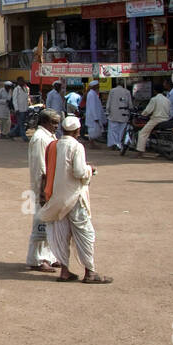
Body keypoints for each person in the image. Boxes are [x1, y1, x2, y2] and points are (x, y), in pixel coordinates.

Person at [38, 115, 111, 284]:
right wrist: (90, 169)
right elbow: (79, 172)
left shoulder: (53, 145)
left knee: (62, 234)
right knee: (85, 233)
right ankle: (90, 273)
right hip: (74, 198)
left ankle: (65, 271)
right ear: (77, 131)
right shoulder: (76, 146)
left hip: (56, 198)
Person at [26, 108, 60, 272]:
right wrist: (43, 190)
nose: (56, 126)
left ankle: (49, 256)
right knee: (40, 224)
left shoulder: (49, 136)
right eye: (54, 123)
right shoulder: (40, 138)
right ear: (45, 122)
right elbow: (41, 167)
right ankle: (37, 259)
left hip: (50, 185)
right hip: (43, 186)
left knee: (50, 222)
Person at [135, 85, 173, 153]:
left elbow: (148, 111)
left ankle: (140, 151)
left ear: (155, 91)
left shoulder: (154, 99)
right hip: (166, 119)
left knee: (142, 133)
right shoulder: (167, 100)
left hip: (156, 120)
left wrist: (142, 114)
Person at [106, 81, 133, 151]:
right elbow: (130, 104)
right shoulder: (127, 92)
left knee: (113, 130)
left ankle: (113, 144)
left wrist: (108, 111)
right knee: (122, 131)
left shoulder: (112, 91)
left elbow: (108, 103)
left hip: (113, 115)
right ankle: (120, 144)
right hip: (124, 114)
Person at [83, 80, 105, 145]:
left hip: (94, 116)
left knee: (95, 130)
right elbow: (92, 107)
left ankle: (92, 143)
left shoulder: (93, 94)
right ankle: (91, 143)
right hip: (93, 116)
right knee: (93, 131)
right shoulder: (91, 94)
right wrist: (95, 117)